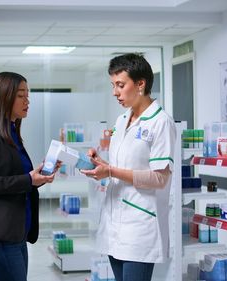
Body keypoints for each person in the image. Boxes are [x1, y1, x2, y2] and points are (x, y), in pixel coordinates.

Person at [80, 53, 176, 281]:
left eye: (120, 85)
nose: (115, 92)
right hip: (115, 224)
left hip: (140, 227)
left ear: (141, 84)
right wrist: (102, 165)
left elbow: (160, 178)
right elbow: (122, 166)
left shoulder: (160, 122)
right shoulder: (122, 120)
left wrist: (111, 171)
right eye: (113, 85)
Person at [0, 71, 58, 281]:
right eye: (21, 95)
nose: (27, 101)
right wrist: (28, 179)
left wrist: (39, 176)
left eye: (28, 95)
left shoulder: (12, 133)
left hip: (16, 233)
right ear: (3, 97)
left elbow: (17, 179)